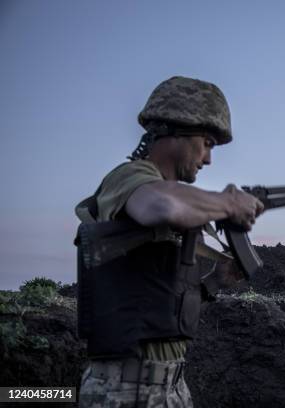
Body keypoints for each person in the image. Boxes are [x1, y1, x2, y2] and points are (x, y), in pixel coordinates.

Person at [76, 76, 264, 407]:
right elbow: (160, 205)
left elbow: (157, 305)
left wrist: (214, 282)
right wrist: (230, 203)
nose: (208, 159)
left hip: (170, 387)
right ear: (176, 131)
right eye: (207, 143)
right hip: (123, 391)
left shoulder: (179, 210)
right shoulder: (130, 177)